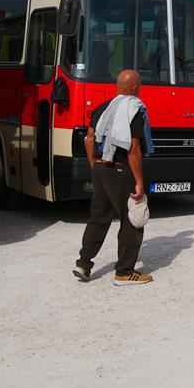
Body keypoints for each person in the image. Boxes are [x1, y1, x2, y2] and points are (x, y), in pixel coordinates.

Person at [74, 69, 155, 286]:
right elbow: (134, 148)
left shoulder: (103, 107)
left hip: (100, 167)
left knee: (99, 217)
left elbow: (89, 139)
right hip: (120, 169)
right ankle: (125, 272)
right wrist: (139, 181)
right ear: (135, 88)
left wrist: (95, 165)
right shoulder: (133, 110)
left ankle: (83, 263)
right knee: (132, 219)